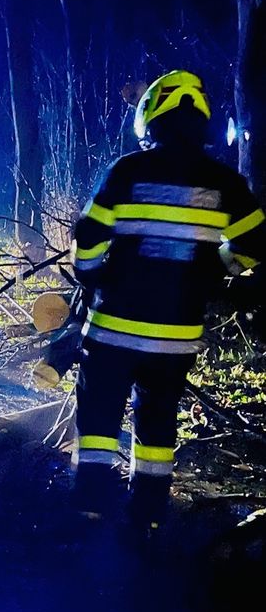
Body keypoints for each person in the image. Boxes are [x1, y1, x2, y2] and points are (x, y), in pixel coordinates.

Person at [70, 70, 266, 530]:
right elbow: (256, 243)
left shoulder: (126, 171)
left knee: (98, 422)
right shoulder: (224, 182)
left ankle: (89, 511)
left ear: (151, 116)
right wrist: (215, 268)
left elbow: (90, 235)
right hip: (175, 338)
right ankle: (147, 519)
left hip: (114, 329)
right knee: (157, 425)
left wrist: (92, 275)